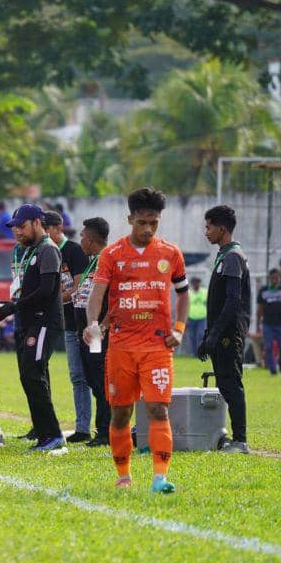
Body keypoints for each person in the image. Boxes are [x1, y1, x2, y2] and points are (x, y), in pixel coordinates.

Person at [84, 188, 189, 493]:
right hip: (121, 348)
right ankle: (123, 475)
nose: (147, 229)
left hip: (157, 347)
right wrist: (93, 323)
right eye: (142, 222)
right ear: (130, 218)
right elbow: (97, 295)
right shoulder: (112, 254)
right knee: (121, 412)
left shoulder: (170, 253)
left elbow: (183, 294)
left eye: (153, 223)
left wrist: (179, 328)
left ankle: (160, 477)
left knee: (158, 409)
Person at [0, 204, 65, 453]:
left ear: (37, 222)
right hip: (29, 322)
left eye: (22, 226)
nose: (17, 232)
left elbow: (47, 291)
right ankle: (43, 433)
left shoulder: (48, 250)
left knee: (33, 375)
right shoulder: (30, 251)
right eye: (14, 228)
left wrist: (12, 307)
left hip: (44, 322)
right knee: (30, 376)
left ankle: (53, 435)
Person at [198, 205, 251, 454]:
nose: (206, 232)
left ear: (221, 228)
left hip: (230, 332)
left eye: (208, 227)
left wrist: (216, 333)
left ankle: (241, 441)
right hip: (221, 332)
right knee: (225, 383)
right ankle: (235, 438)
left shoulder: (233, 256)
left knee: (231, 383)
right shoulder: (224, 255)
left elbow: (232, 300)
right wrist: (208, 335)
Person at [43, 210, 90, 443]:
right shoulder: (43, 250)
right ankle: (82, 428)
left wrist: (52, 298)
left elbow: (80, 287)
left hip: (81, 321)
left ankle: (87, 427)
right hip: (64, 322)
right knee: (75, 375)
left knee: (87, 376)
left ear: (56, 228)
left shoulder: (74, 251)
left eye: (46, 228)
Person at [75, 217, 111, 447]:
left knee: (100, 379)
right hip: (87, 331)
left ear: (90, 239)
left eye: (82, 236)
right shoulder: (92, 261)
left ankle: (105, 431)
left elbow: (113, 300)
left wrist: (102, 326)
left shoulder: (107, 261)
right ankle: (103, 429)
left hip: (97, 331)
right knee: (91, 377)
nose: (80, 240)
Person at [257, 269, 281, 375]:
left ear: (280, 278)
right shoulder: (263, 291)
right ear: (269, 279)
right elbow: (260, 308)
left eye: (277, 278)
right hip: (267, 323)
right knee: (268, 347)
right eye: (272, 278)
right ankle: (273, 369)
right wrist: (258, 322)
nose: (274, 280)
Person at [185, 278, 207, 357]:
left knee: (200, 334)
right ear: (192, 284)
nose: (196, 285)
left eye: (197, 283)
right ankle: (193, 353)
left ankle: (200, 351)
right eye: (194, 283)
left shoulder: (204, 292)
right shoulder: (189, 293)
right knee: (192, 336)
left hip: (202, 317)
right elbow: (186, 306)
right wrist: (186, 318)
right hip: (191, 317)